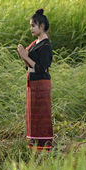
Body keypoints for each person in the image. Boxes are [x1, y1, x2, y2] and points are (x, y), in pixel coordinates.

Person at [18, 9, 53, 150]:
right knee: (33, 114)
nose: (31, 28)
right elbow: (30, 64)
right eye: (31, 25)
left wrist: (25, 56)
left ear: (42, 26)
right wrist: (24, 56)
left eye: (33, 25)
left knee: (41, 114)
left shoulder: (45, 45)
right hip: (32, 81)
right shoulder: (35, 43)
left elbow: (41, 67)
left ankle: (44, 145)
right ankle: (33, 143)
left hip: (41, 82)